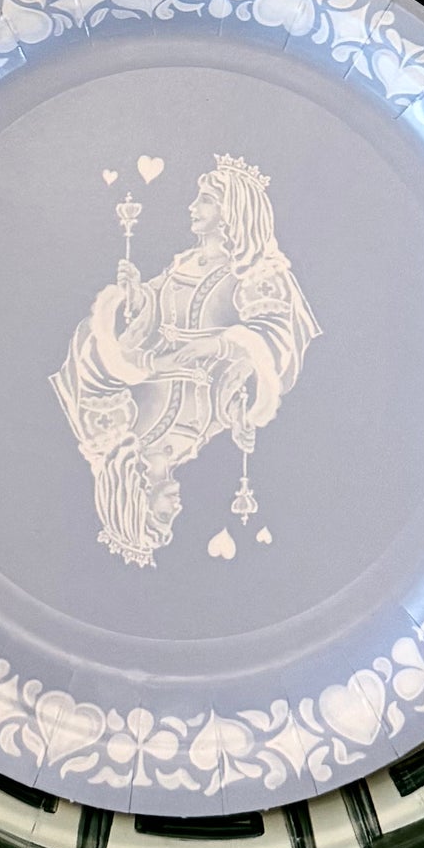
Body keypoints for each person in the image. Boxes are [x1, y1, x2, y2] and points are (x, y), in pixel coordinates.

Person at [50, 155, 320, 568]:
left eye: (206, 199)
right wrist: (236, 412)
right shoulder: (184, 449)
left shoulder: (257, 272)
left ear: (232, 212)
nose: (193, 207)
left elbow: (275, 332)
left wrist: (214, 347)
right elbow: (213, 391)